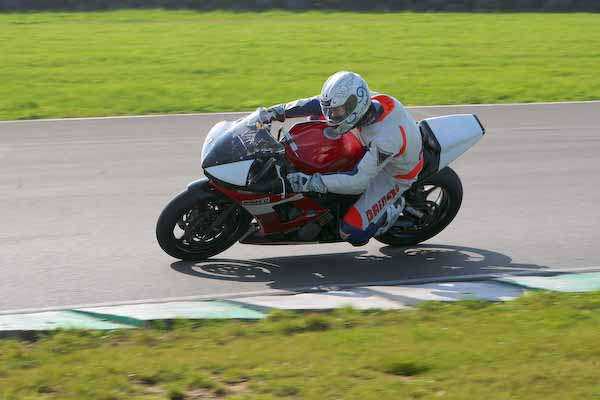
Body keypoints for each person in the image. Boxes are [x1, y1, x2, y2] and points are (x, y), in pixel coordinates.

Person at [259, 71, 423, 246]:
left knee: (352, 232)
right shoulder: (364, 102)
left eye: (336, 112)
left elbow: (358, 181)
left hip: (393, 174)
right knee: (315, 124)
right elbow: (316, 103)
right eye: (331, 111)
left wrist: (310, 182)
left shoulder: (386, 138)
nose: (331, 116)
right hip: (369, 147)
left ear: (354, 106)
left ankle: (394, 207)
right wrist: (278, 111)